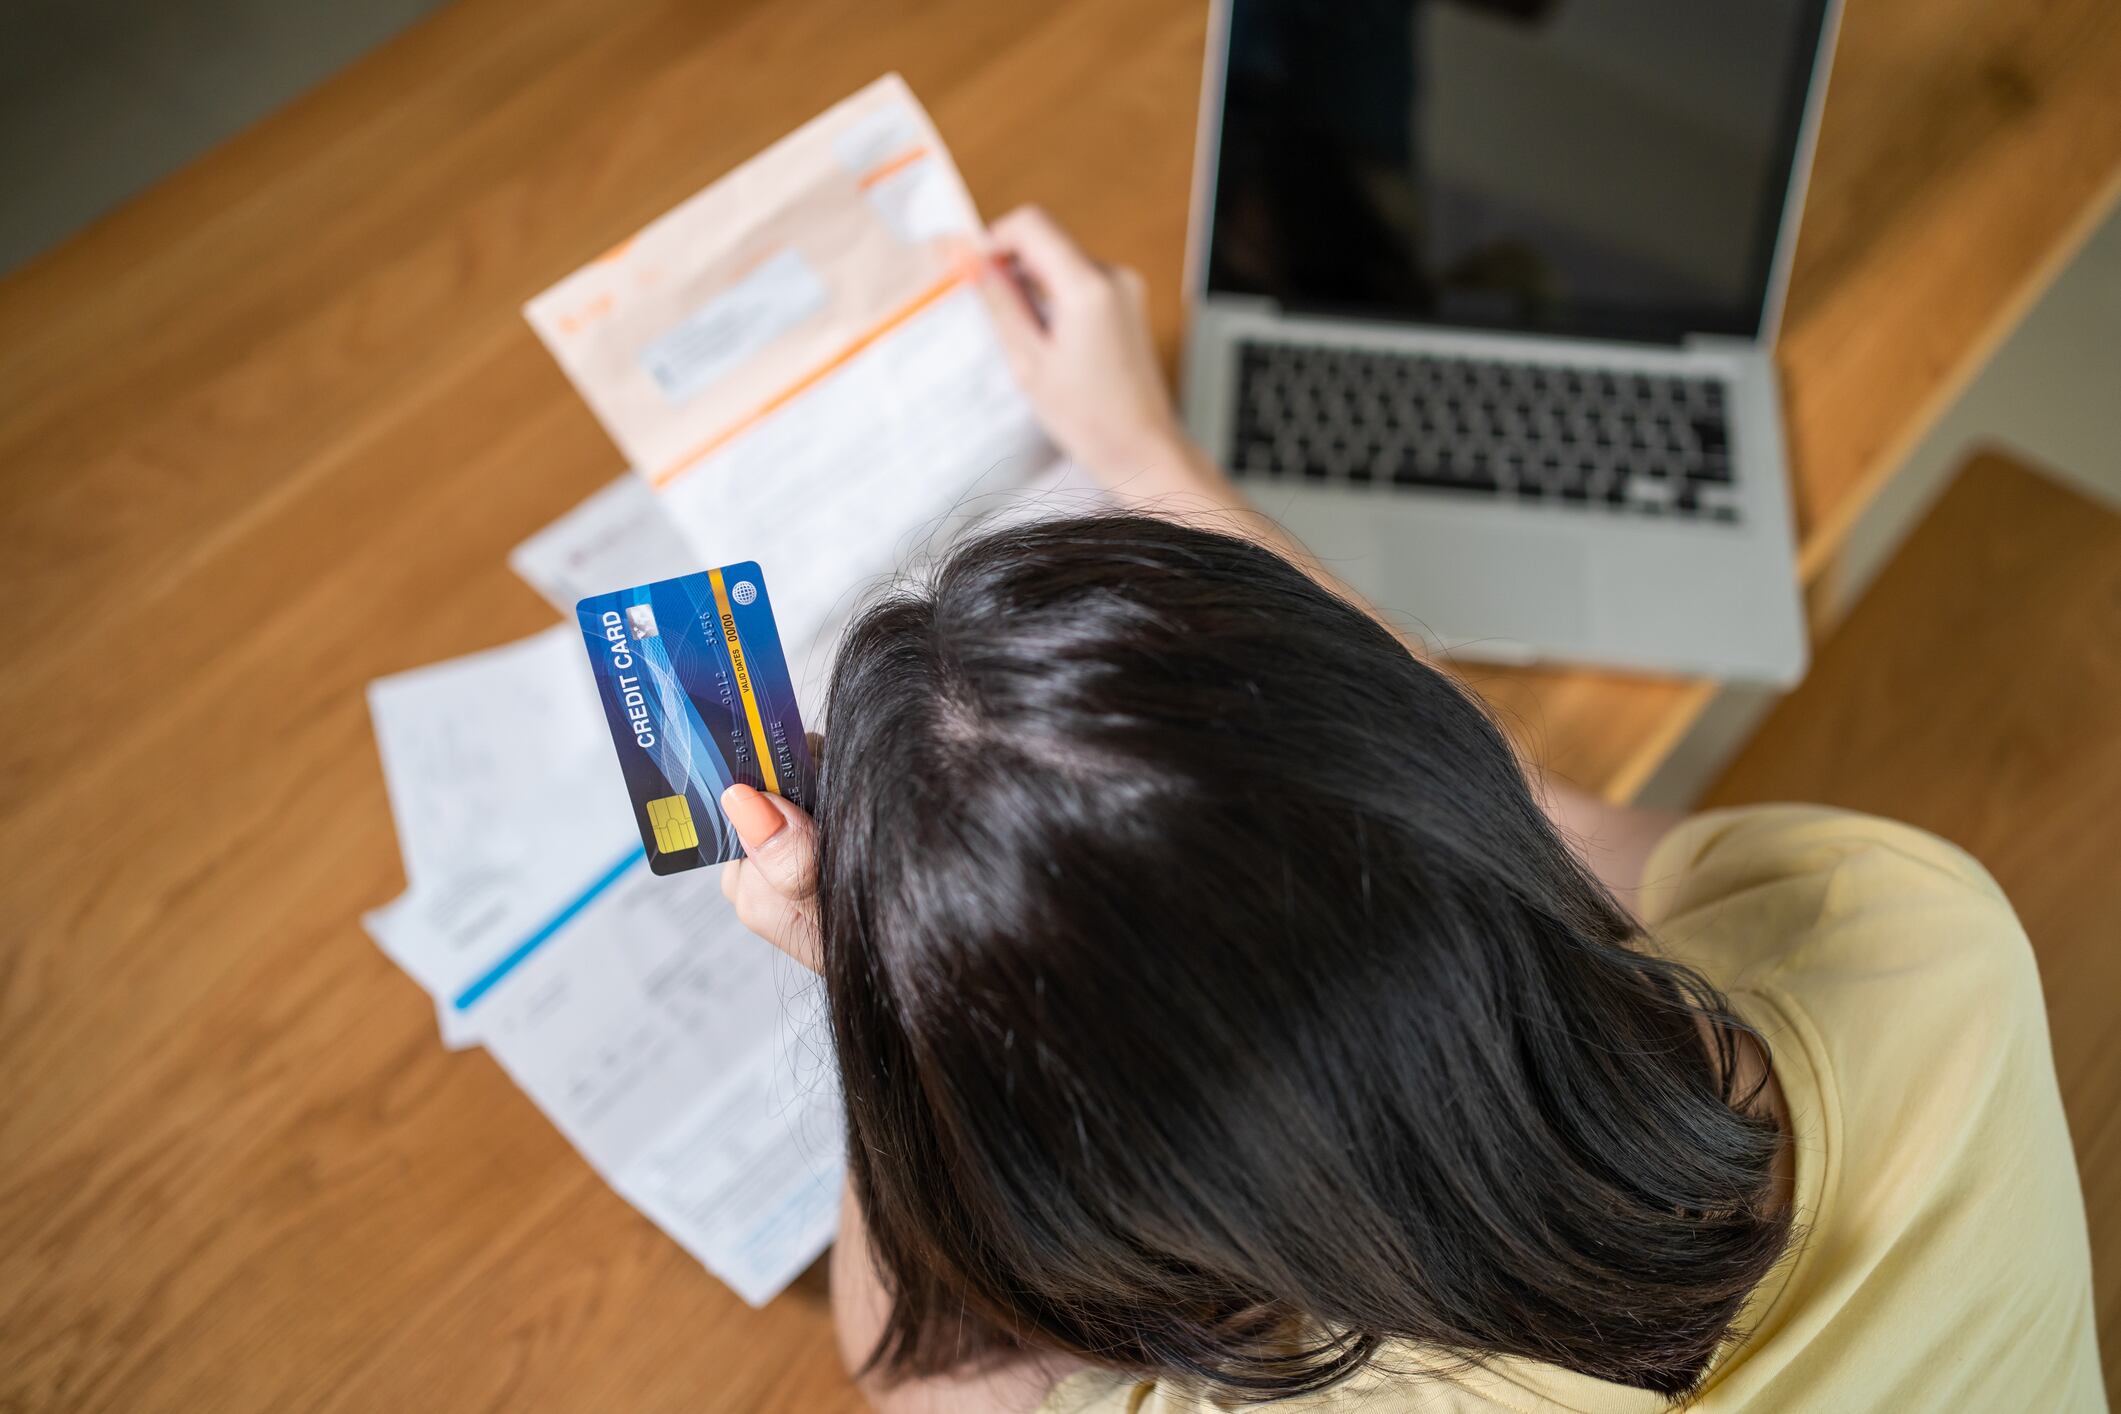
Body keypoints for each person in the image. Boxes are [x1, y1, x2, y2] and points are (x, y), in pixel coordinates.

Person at [718, 208, 2105, 1412]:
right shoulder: (1916, 928)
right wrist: (1143, 446)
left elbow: (929, 1372)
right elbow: (1529, 806)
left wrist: (878, 1005)